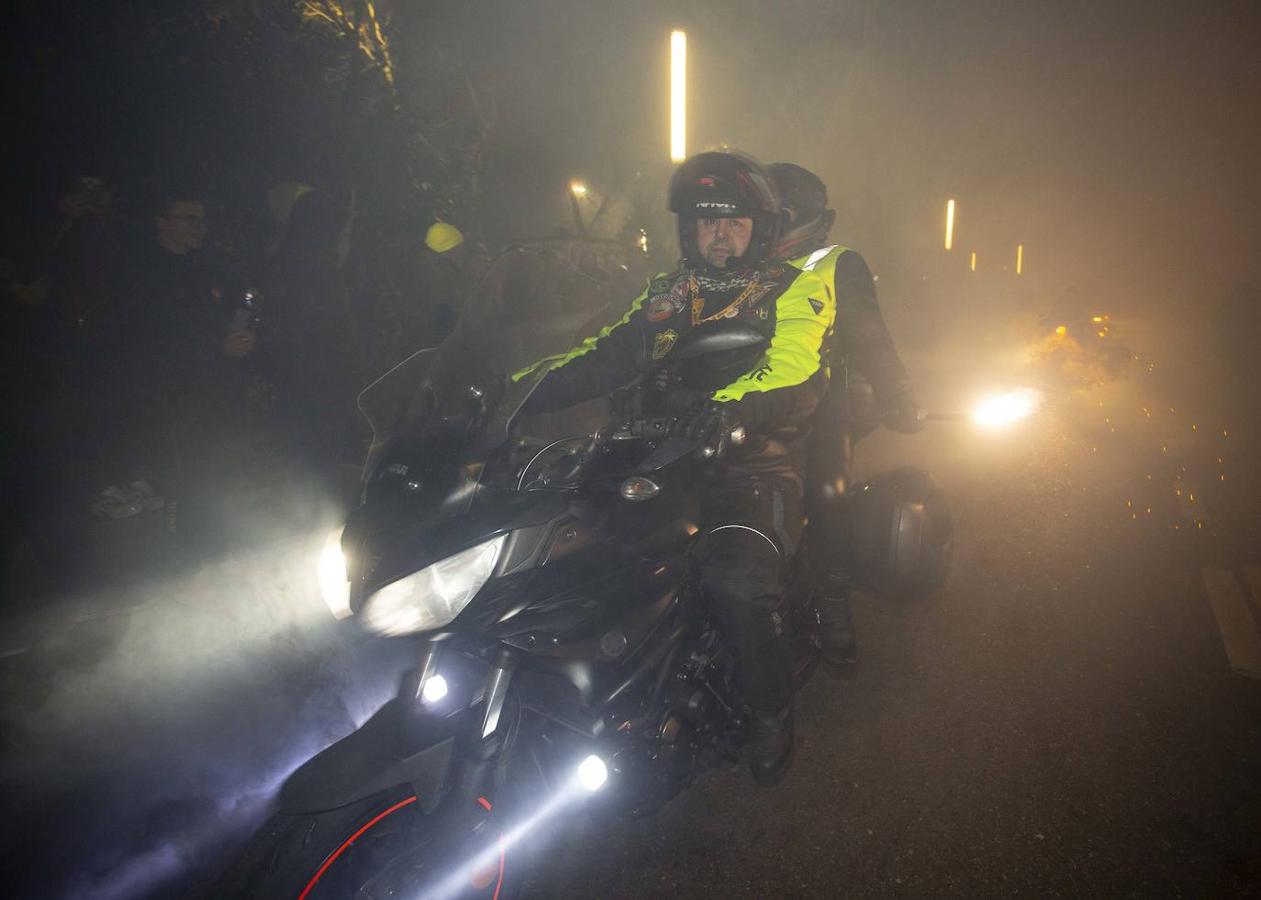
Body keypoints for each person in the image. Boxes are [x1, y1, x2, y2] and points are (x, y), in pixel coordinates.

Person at [518, 151, 834, 784]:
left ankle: (769, 711)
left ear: (762, 229)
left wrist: (731, 408)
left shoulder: (791, 285)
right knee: (553, 549)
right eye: (703, 221)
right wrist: (517, 391)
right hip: (648, 454)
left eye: (735, 221)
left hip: (746, 461)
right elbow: (603, 354)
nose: (718, 235)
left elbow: (797, 362)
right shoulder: (668, 292)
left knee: (734, 581)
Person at [767, 162, 922, 665]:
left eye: (779, 212)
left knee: (825, 493)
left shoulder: (836, 263)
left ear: (809, 216)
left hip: (819, 409)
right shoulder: (740, 264)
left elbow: (871, 336)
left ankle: (833, 605)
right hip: (741, 405)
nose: (769, 223)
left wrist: (897, 393)